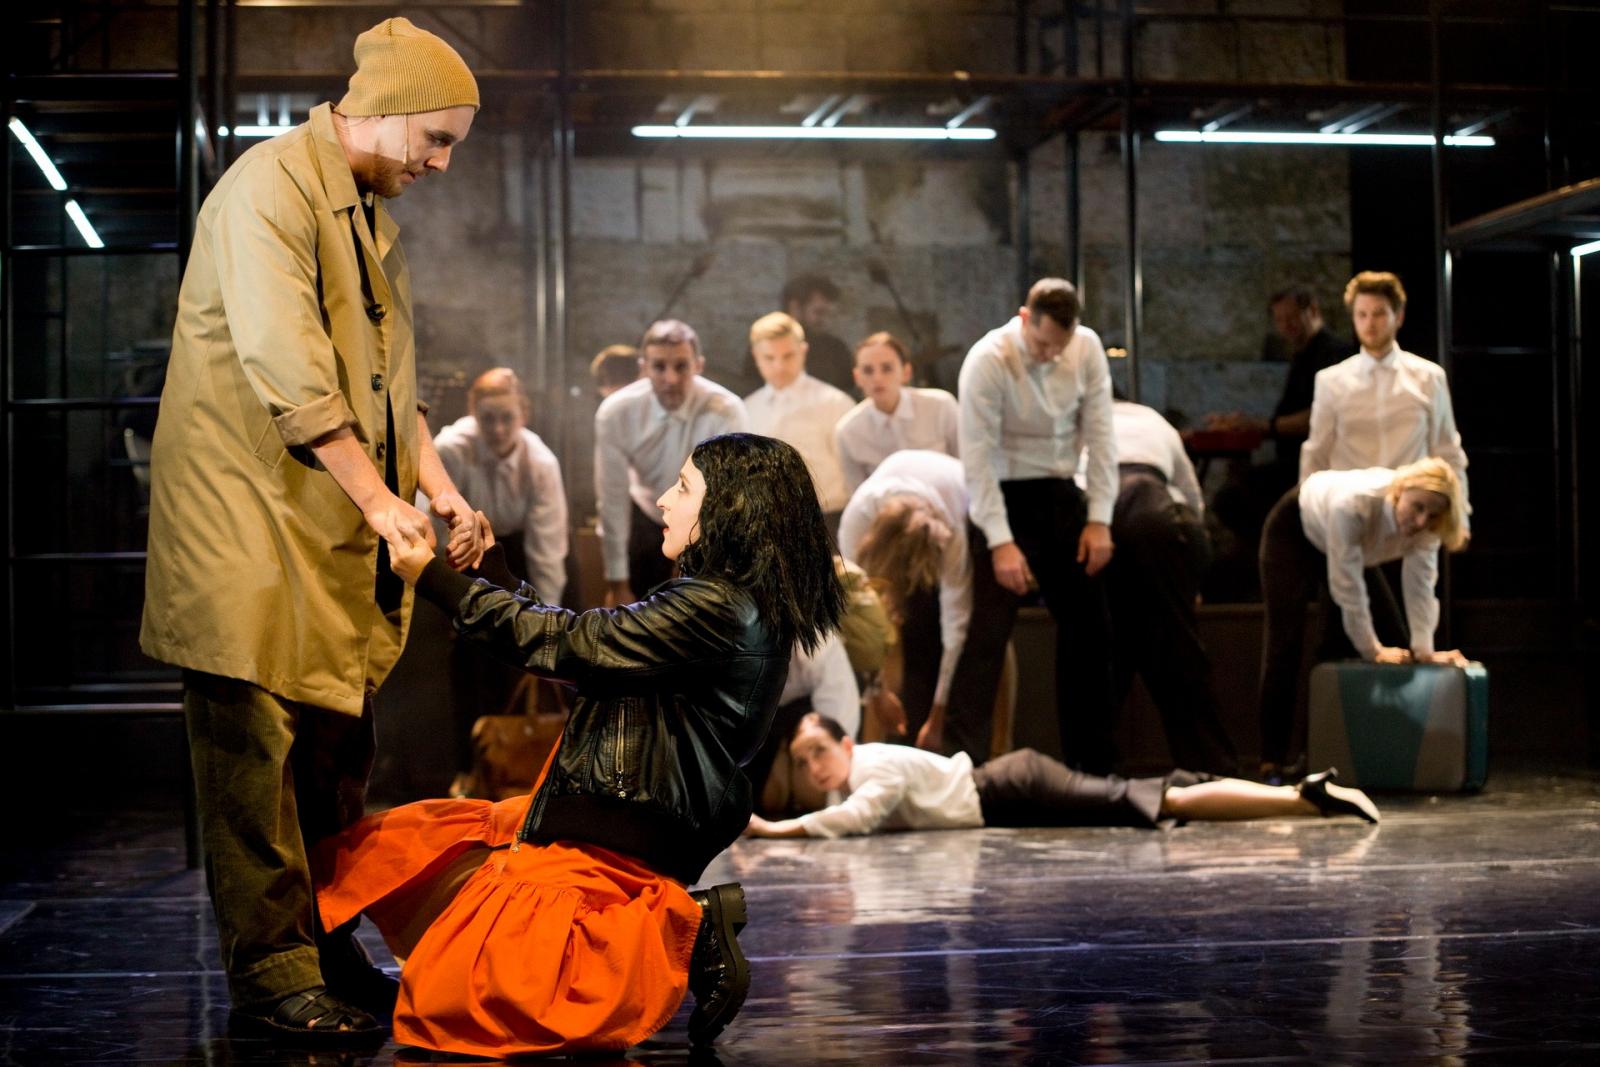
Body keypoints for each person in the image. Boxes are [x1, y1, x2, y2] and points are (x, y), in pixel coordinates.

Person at [139, 18, 484, 1043]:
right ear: (381, 111)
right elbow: (293, 371)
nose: (441, 163)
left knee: (337, 743)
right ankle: (273, 972)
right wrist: (381, 502)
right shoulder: (268, 192)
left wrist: (441, 489)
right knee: (254, 750)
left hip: (316, 522)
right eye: (435, 139)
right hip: (242, 521)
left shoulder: (365, 210)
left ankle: (328, 947)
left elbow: (385, 383)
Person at [316, 433, 846, 1056]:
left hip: (620, 821)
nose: (663, 499)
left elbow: (573, 645)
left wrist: (431, 579)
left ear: (728, 508)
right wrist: (490, 572)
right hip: (599, 804)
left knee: (451, 1007)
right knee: (387, 856)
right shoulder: (720, 602)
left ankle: (682, 924)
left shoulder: (717, 607)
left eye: (682, 488)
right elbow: (585, 648)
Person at [950, 278, 1118, 769]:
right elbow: (976, 459)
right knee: (985, 637)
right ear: (1025, 319)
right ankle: (964, 770)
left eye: (1060, 345)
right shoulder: (987, 359)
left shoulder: (1085, 347)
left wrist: (1100, 519)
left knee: (1091, 631)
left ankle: (1094, 768)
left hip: (1061, 491)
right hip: (1002, 496)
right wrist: (1001, 542)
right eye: (1043, 344)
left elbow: (1102, 437)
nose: (1051, 354)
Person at [743, 713, 1378, 839]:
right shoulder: (861, 770)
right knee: (1158, 799)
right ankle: (1298, 799)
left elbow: (858, 819)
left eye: (818, 751)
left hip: (1011, 786)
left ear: (846, 743)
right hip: (1008, 795)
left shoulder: (872, 765)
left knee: (1160, 802)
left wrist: (775, 831)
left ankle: (1303, 797)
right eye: (802, 762)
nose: (814, 767)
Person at [1258, 458, 1471, 776]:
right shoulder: (1355, 503)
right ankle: (1271, 759)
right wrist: (1372, 650)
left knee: (1392, 640)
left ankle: (1319, 756)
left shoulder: (1427, 528)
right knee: (1285, 641)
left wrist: (1424, 650)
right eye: (1417, 507)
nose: (1421, 520)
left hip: (1350, 547)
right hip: (1295, 530)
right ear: (1399, 492)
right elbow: (1347, 587)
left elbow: (1422, 587)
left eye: (1432, 514)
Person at [430, 368, 569, 796]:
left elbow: (548, 548)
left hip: (521, 551)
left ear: (524, 414)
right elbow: (432, 524)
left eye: (507, 418)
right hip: (463, 549)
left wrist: (545, 622)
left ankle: (536, 773)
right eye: (488, 418)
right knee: (467, 661)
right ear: (473, 412)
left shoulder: (540, 462)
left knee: (531, 656)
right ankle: (467, 771)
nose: (498, 429)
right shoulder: (450, 448)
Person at [1098, 400, 1240, 775]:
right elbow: (1193, 499)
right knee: (1178, 651)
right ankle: (1214, 770)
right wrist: (1192, 579)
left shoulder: (1082, 419)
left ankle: (1093, 773)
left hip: (1108, 520)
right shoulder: (1154, 421)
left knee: (1105, 653)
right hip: (1165, 523)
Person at [594, 320, 747, 607]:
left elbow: (727, 494)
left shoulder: (727, 409)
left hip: (706, 519)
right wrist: (617, 582)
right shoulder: (616, 412)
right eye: (659, 367)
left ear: (698, 365)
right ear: (644, 368)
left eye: (681, 366)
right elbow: (612, 499)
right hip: (645, 517)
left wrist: (690, 552)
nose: (671, 378)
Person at [1300, 272, 1470, 518]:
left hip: (1414, 511)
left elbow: (1447, 452)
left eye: (1379, 314)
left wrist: (1460, 517)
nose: (1370, 323)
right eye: (1362, 314)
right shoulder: (1331, 381)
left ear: (1398, 316)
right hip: (1351, 512)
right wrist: (1307, 516)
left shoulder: (1428, 377)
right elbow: (1316, 454)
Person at [837, 449, 970, 750]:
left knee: (975, 637)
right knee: (900, 634)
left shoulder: (952, 532)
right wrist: (876, 691)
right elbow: (860, 620)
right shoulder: (856, 523)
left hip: (968, 508)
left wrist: (937, 718)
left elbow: (957, 624)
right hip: (892, 518)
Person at [743, 311, 857, 521]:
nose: (779, 366)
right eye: (769, 358)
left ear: (803, 351)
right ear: (756, 356)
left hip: (828, 519)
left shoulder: (835, 403)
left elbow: (855, 471)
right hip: (767, 521)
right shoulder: (747, 409)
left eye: (788, 356)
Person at [834, 331, 960, 494]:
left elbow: (966, 466)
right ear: (857, 377)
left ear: (906, 372)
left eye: (887, 368)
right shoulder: (847, 432)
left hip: (948, 502)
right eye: (868, 370)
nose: (877, 378)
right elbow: (859, 496)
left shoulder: (941, 406)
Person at [782, 273, 856, 393]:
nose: (825, 321)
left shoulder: (837, 350)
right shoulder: (766, 347)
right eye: (819, 312)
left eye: (829, 314)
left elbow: (850, 392)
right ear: (795, 308)